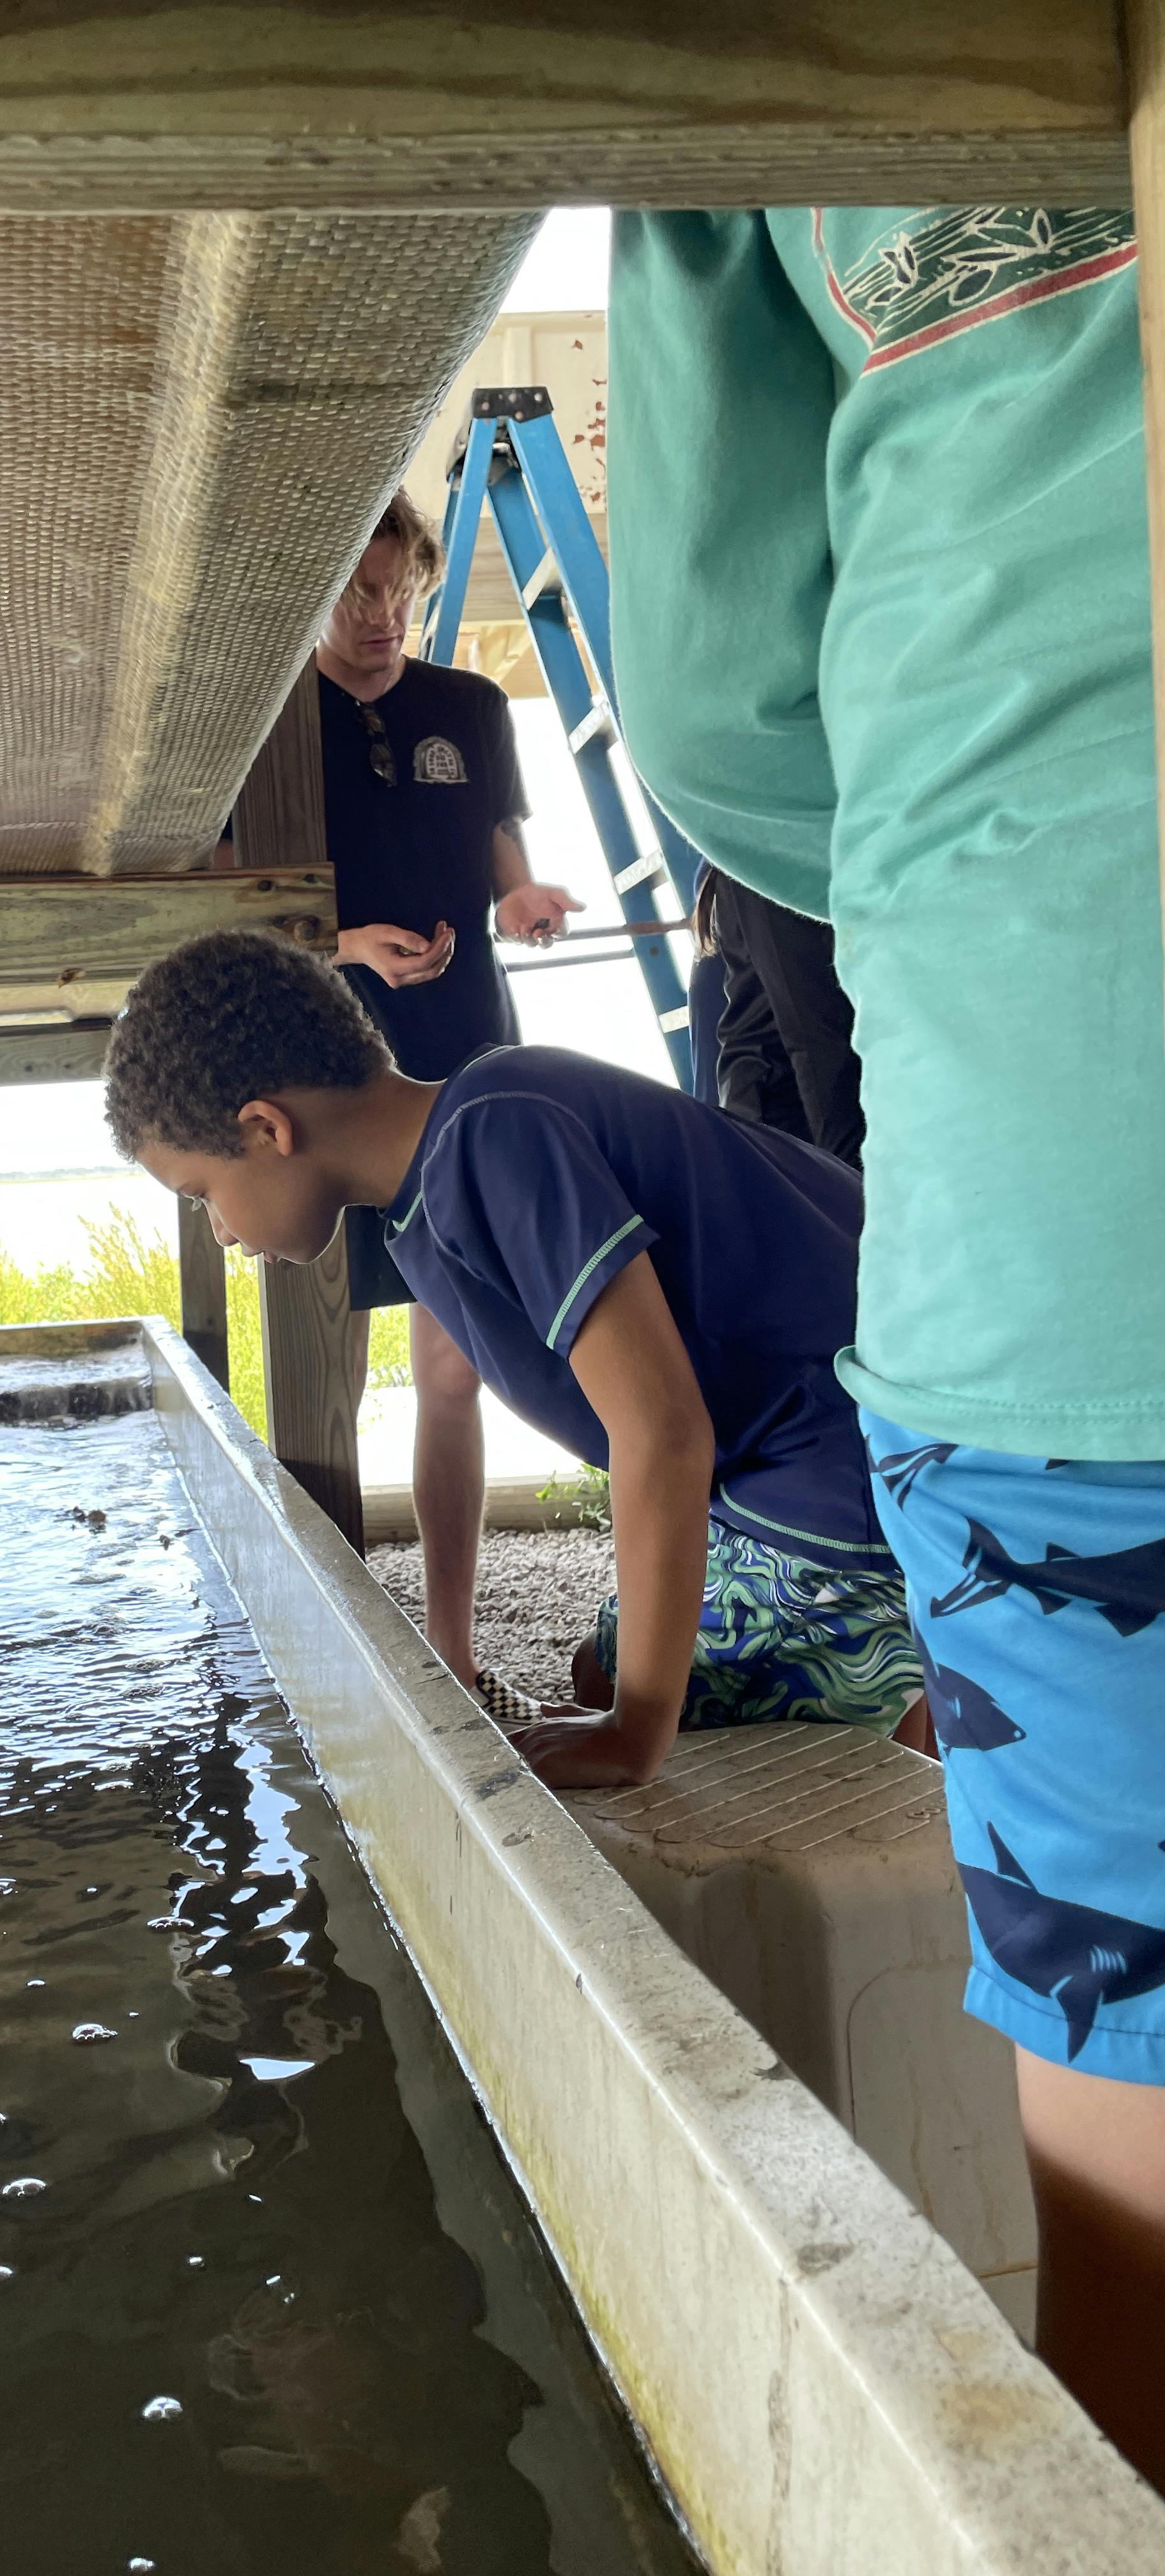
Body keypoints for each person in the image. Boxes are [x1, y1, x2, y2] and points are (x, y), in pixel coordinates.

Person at [607, 205, 1165, 2481]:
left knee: (1120, 2167)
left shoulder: (501, 1173)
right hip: (980, 1284)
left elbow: (730, 713)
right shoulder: (503, 1151)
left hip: (1056, 1230)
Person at [104, 928, 923, 1790]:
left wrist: (638, 1734)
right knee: (603, 1670)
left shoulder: (493, 1136)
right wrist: (455, 1653)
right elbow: (453, 1387)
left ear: (267, 1128)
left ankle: (939, 1699)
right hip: (799, 1452)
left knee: (662, 1713)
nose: (222, 1232)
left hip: (869, 1473)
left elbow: (665, 1433)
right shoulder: (437, 1174)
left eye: (203, 1197)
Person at [220, 489, 580, 1704]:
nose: (375, 617)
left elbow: (500, 852)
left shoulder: (469, 708)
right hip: (320, 1070)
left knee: (450, 1365)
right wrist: (341, 948)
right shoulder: (269, 719)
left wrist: (522, 903)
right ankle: (322, 1639)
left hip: (465, 1062)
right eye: (350, 591)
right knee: (321, 1363)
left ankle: (450, 1642)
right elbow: (236, 902)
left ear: (420, 582)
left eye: (394, 590)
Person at [695, 865, 864, 1165]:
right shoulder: (762, 865)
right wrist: (855, 1175)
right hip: (791, 1120)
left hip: (800, 1109)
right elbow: (815, 1040)